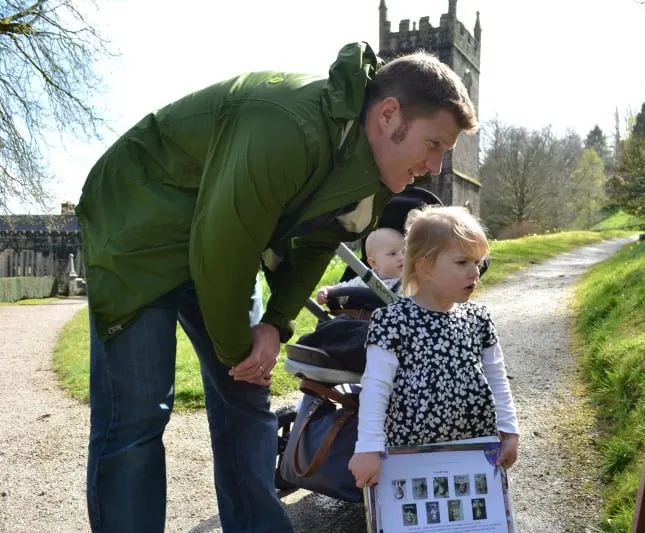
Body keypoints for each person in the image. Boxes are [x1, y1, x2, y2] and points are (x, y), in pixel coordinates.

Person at [76, 40, 476, 533]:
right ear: (389, 115)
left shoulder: (378, 173)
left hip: (224, 239)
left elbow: (316, 245)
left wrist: (274, 324)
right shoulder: (287, 128)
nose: (436, 167)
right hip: (140, 227)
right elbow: (220, 247)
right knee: (137, 415)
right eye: (433, 144)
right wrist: (241, 354)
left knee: (247, 402)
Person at [347, 205, 520, 490]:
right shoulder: (393, 321)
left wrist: (509, 429)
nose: (474, 273)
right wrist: (368, 447)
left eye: (478, 263)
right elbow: (376, 387)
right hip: (410, 455)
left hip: (473, 450)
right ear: (425, 266)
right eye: (462, 262)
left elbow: (497, 377)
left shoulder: (478, 319)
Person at [316, 227, 405, 305]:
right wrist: (326, 290)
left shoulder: (413, 279)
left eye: (404, 251)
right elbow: (342, 290)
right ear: (374, 263)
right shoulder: (366, 280)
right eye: (393, 254)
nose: (402, 257)